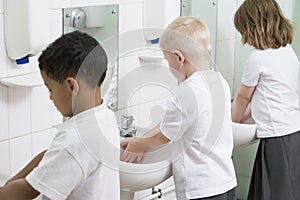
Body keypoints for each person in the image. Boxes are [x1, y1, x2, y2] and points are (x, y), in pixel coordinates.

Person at [121, 16, 237, 200]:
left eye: (168, 60)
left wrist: (139, 143)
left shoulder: (186, 92)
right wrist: (143, 139)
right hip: (225, 181)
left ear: (178, 58)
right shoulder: (219, 81)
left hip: (201, 189)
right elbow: (173, 124)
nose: (169, 66)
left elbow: (164, 136)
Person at [0, 31, 120, 200]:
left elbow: (26, 192)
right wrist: (9, 184)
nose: (51, 97)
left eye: (51, 89)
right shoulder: (104, 116)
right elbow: (49, 156)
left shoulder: (74, 138)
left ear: (71, 86)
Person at [231, 0, 300, 199]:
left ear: (252, 28)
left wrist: (234, 120)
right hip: (292, 129)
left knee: (274, 193)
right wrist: (248, 113)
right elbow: (270, 93)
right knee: (287, 189)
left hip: (277, 134)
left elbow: (244, 96)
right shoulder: (287, 51)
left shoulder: (257, 58)